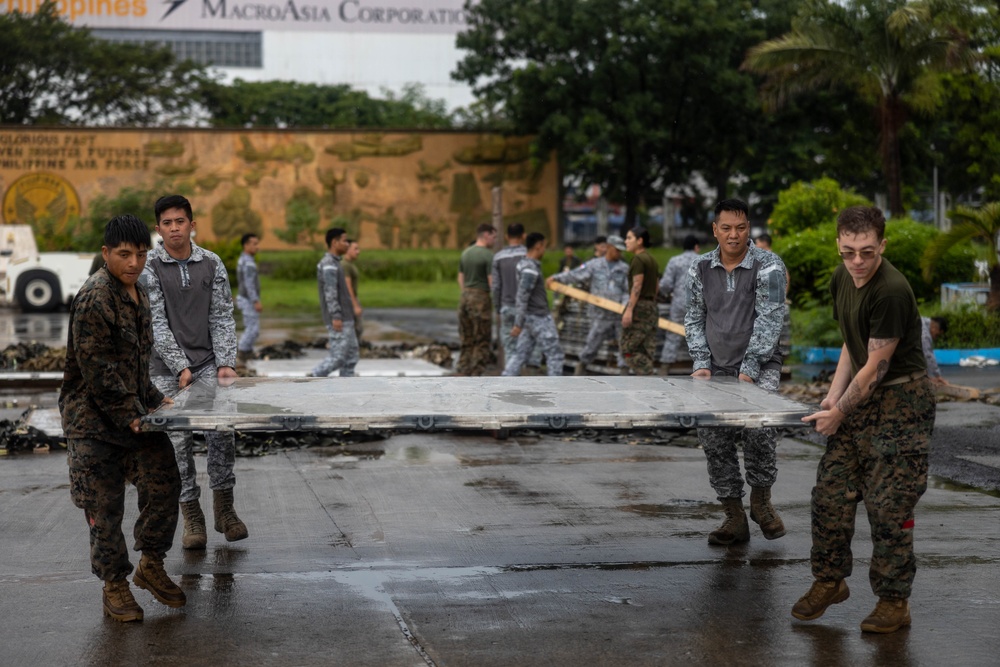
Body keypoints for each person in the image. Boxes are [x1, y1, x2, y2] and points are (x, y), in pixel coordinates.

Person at [795, 205, 935, 634]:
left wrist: (839, 412)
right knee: (830, 495)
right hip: (861, 398)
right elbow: (850, 343)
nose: (858, 261)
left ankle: (894, 602)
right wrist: (832, 397)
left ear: (883, 246)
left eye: (868, 252)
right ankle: (830, 580)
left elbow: (875, 366)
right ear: (838, 243)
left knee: (888, 506)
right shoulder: (843, 277)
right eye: (850, 251)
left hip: (900, 404)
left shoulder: (890, 289)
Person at [62, 214, 185, 622]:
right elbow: (98, 370)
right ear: (105, 254)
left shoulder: (137, 293)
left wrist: (154, 398)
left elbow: (134, 361)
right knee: (105, 507)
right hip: (92, 423)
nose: (133, 262)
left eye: (141, 254)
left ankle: (151, 564)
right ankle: (114, 585)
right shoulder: (95, 297)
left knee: (164, 475)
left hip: (131, 413)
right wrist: (131, 413)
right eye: (123, 254)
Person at [141, 194, 247, 551]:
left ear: (192, 224)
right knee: (177, 445)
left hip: (206, 366)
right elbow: (155, 322)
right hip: (164, 370)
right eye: (167, 223)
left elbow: (221, 316)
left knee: (221, 433)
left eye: (180, 222)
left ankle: (225, 510)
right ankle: (193, 518)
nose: (174, 229)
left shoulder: (212, 264)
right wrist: (179, 366)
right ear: (159, 228)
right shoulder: (149, 267)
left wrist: (226, 362)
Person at [685, 198, 787, 546]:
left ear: (749, 229)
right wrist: (700, 363)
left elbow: (771, 319)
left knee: (760, 430)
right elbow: (694, 317)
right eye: (726, 228)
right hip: (714, 368)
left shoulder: (769, 265)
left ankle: (761, 502)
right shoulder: (699, 268)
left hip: (760, 367)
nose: (733, 235)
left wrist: (750, 368)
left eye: (741, 228)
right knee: (714, 438)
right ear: (715, 230)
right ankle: (733, 516)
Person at [548, 234, 629, 375]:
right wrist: (556, 278)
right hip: (599, 314)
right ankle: (581, 367)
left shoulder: (624, 268)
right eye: (617, 250)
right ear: (609, 248)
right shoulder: (595, 265)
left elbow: (627, 290)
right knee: (592, 344)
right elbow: (575, 274)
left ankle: (624, 372)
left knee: (625, 345)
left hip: (618, 315)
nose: (619, 253)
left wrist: (624, 306)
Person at [502, 232, 565, 376]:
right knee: (555, 355)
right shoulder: (530, 269)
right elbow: (522, 296)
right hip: (539, 318)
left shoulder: (524, 263)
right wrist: (518, 323)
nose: (545, 250)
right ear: (538, 246)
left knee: (520, 354)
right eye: (544, 246)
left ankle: (504, 380)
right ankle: (555, 391)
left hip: (530, 319)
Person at [310, 227, 360, 378]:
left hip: (347, 317)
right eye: (344, 241)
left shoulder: (336, 262)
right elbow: (330, 293)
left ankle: (346, 389)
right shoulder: (329, 264)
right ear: (334, 242)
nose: (347, 244)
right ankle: (313, 378)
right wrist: (336, 316)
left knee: (351, 357)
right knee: (338, 357)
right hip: (340, 319)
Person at [457, 223, 496, 376]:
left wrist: (466, 292)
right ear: (486, 235)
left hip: (465, 296)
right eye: (493, 236)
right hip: (481, 297)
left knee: (467, 336)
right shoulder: (488, 255)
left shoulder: (465, 253)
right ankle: (477, 372)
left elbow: (460, 277)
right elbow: (492, 281)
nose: (494, 240)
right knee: (482, 337)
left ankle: (463, 368)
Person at [621, 226, 660, 375]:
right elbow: (656, 287)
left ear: (640, 241)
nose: (626, 241)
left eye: (629, 238)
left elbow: (637, 285)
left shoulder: (638, 259)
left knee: (627, 348)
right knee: (646, 346)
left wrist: (629, 309)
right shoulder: (652, 259)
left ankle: (647, 373)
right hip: (651, 306)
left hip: (639, 306)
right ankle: (647, 385)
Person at [658, 234, 700, 370]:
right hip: (698, 305)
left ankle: (665, 366)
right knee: (699, 334)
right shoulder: (703, 261)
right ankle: (701, 367)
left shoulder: (674, 261)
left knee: (672, 334)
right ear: (696, 247)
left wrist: (666, 294)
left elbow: (665, 285)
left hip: (678, 304)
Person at [492, 223, 526, 365]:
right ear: (523, 236)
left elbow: (496, 286)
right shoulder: (528, 255)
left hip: (506, 306)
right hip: (525, 308)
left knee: (509, 347)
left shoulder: (498, 257)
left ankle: (511, 379)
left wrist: (497, 307)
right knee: (526, 345)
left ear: (506, 237)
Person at [755, 232, 792, 359]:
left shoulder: (767, 258)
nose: (755, 245)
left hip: (770, 305)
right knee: (781, 337)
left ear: (764, 243)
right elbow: (787, 277)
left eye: (757, 242)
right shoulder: (776, 258)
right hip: (779, 304)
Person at [236, 232, 262, 366]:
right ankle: (241, 353)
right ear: (246, 245)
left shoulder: (244, 259)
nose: (257, 247)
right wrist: (255, 301)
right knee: (252, 329)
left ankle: (246, 354)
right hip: (247, 299)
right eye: (254, 244)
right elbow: (249, 284)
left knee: (252, 328)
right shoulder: (248, 263)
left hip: (245, 298)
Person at [343, 239, 364, 341]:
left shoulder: (350, 264)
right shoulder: (345, 265)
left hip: (351, 299)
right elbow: (347, 286)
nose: (358, 251)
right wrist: (355, 305)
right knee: (355, 329)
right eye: (355, 249)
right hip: (348, 301)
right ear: (347, 249)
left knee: (357, 329)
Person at [921, 316, 948, 385]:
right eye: (937, 335)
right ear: (935, 328)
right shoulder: (925, 335)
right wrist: (938, 376)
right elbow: (928, 355)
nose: (935, 338)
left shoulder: (922, 320)